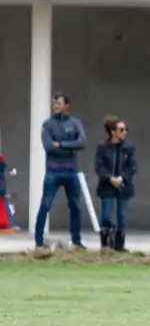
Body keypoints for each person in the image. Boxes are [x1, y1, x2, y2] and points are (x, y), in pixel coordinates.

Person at [34, 92, 88, 250]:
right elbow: (49, 146)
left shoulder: (75, 122)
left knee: (75, 205)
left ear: (66, 106)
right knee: (45, 205)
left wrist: (61, 144)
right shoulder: (47, 124)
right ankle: (38, 242)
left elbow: (83, 143)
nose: (55, 106)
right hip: (53, 171)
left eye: (58, 103)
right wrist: (70, 146)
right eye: (54, 104)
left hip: (71, 171)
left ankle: (76, 241)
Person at [95, 116, 136, 251]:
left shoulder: (128, 147)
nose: (125, 132)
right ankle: (105, 244)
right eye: (122, 130)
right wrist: (110, 178)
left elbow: (132, 167)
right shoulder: (102, 147)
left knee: (122, 216)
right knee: (106, 215)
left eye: (125, 129)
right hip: (107, 185)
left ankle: (120, 245)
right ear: (113, 132)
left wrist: (122, 178)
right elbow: (99, 166)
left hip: (123, 186)